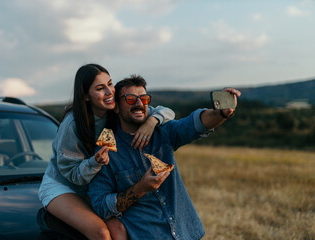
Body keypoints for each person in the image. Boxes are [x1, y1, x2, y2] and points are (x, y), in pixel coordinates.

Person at [88, 75, 241, 240]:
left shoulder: (163, 132)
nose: (139, 104)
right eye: (130, 99)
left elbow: (194, 124)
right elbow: (101, 206)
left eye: (144, 99)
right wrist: (140, 189)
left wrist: (221, 114)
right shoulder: (105, 151)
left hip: (187, 233)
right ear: (116, 107)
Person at [38, 64, 175, 240]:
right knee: (101, 233)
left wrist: (152, 121)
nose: (110, 92)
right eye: (100, 88)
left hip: (94, 189)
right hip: (63, 186)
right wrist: (95, 163)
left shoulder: (116, 110)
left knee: (119, 231)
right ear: (86, 96)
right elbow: (71, 174)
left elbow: (167, 111)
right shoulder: (72, 124)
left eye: (110, 84)